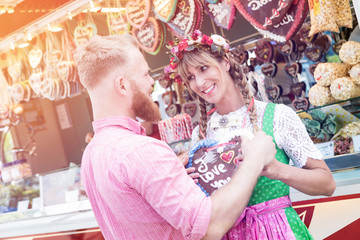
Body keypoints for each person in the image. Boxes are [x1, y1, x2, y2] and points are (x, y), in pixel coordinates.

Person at [75, 34, 277, 240]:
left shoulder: (92, 154)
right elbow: (210, 227)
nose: (151, 83)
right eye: (145, 75)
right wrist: (254, 160)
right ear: (122, 85)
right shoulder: (140, 151)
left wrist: (168, 175)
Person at [165, 30, 336, 239]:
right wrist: (188, 185)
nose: (199, 83)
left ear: (225, 62)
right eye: (191, 77)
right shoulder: (200, 135)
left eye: (204, 68)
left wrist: (276, 169)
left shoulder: (276, 116)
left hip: (277, 233)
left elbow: (327, 184)